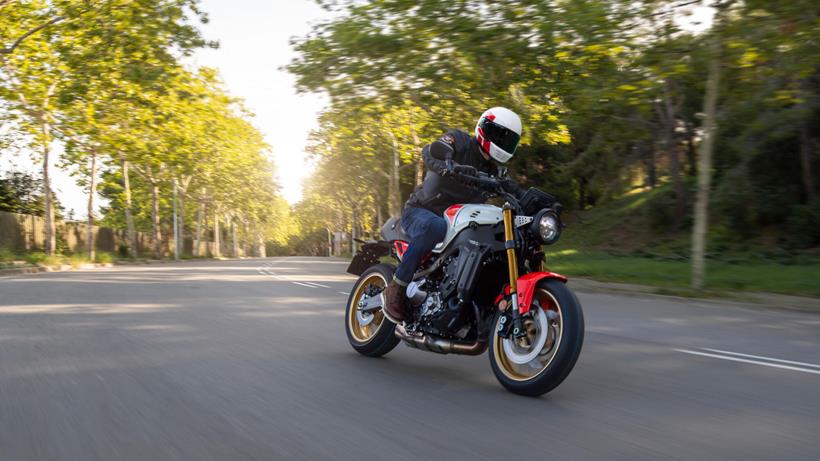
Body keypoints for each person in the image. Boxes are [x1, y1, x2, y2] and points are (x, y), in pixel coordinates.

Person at [382, 107, 525, 324]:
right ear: (484, 129)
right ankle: (396, 287)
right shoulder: (459, 140)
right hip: (422, 211)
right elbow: (431, 152)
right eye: (499, 136)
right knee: (435, 227)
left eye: (509, 140)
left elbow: (515, 190)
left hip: (457, 223)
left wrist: (537, 201)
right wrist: (449, 167)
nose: (503, 143)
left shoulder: (495, 172)